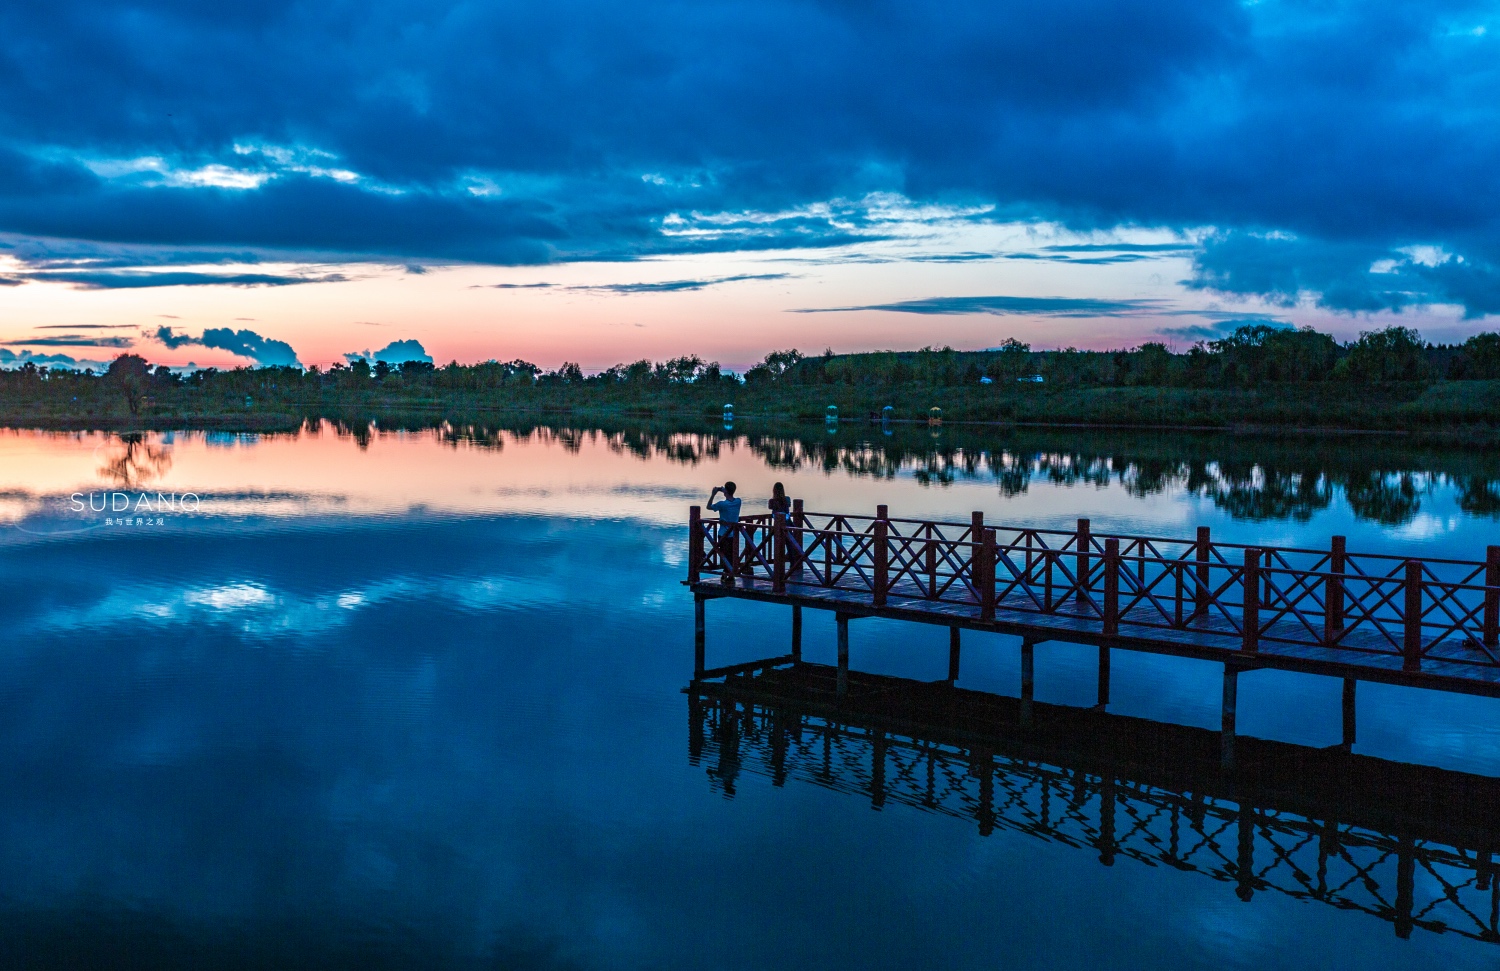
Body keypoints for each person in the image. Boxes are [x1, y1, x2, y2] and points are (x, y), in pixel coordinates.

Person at [707, 481, 743, 583]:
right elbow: (731, 496)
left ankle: (726, 574)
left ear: (726, 491)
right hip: (734, 534)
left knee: (723, 555)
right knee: (731, 555)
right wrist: (725, 491)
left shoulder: (722, 504)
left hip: (723, 534)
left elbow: (708, 506)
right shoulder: (738, 502)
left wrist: (713, 494)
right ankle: (729, 574)